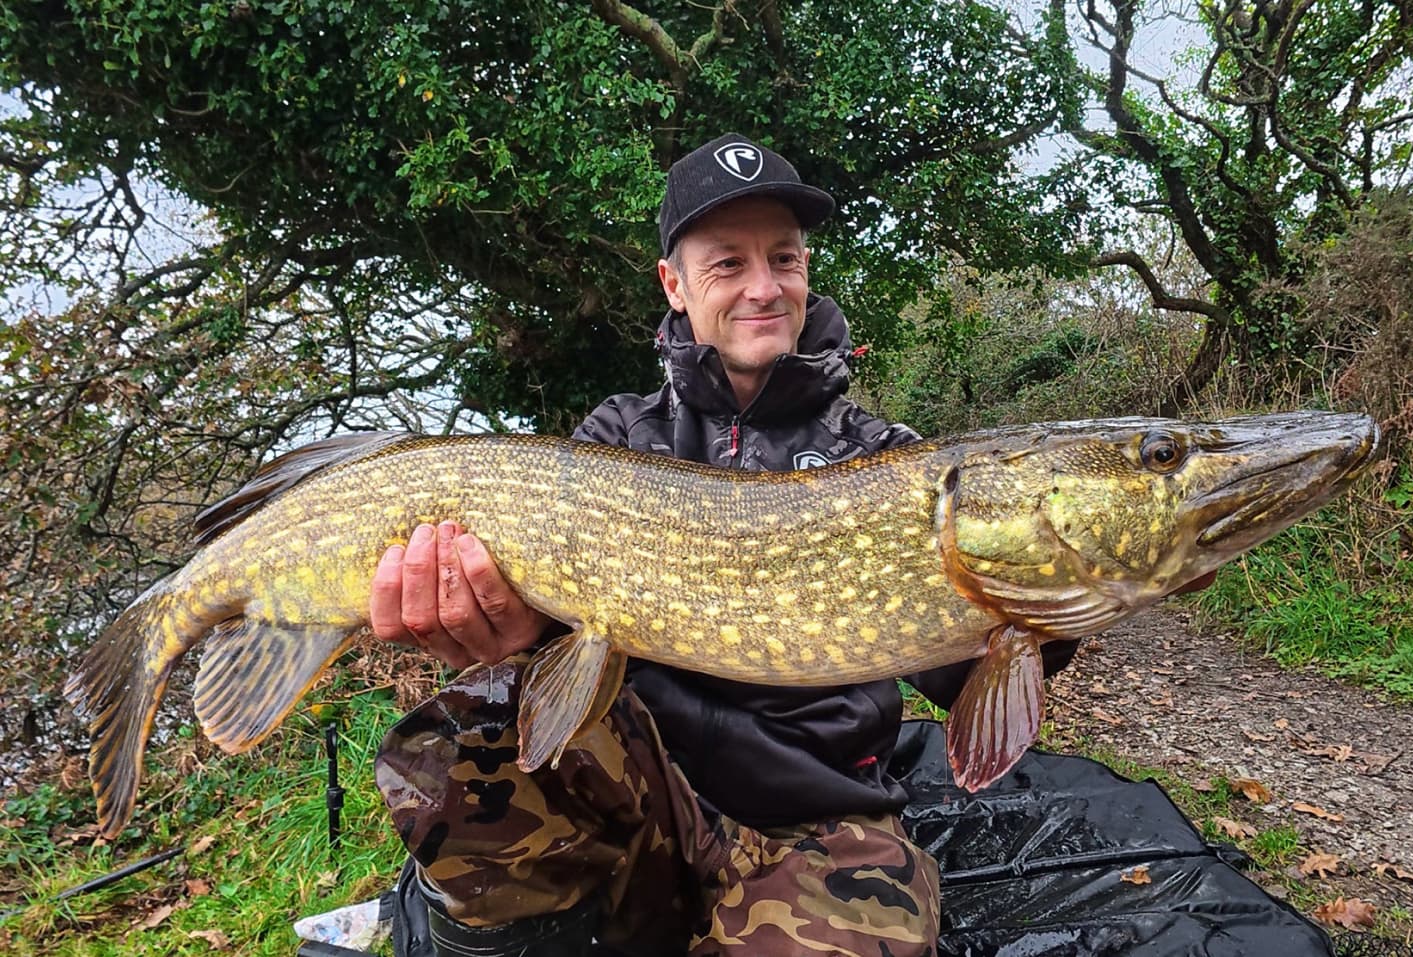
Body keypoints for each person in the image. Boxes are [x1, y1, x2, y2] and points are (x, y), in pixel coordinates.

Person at [367, 133, 1079, 957]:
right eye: (728, 264)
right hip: (642, 797)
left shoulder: (883, 457)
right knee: (466, 740)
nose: (764, 287)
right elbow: (556, 653)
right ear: (674, 285)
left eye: (784, 257)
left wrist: (1054, 605)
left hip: (824, 820)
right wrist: (511, 635)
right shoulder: (615, 441)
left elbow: (962, 676)